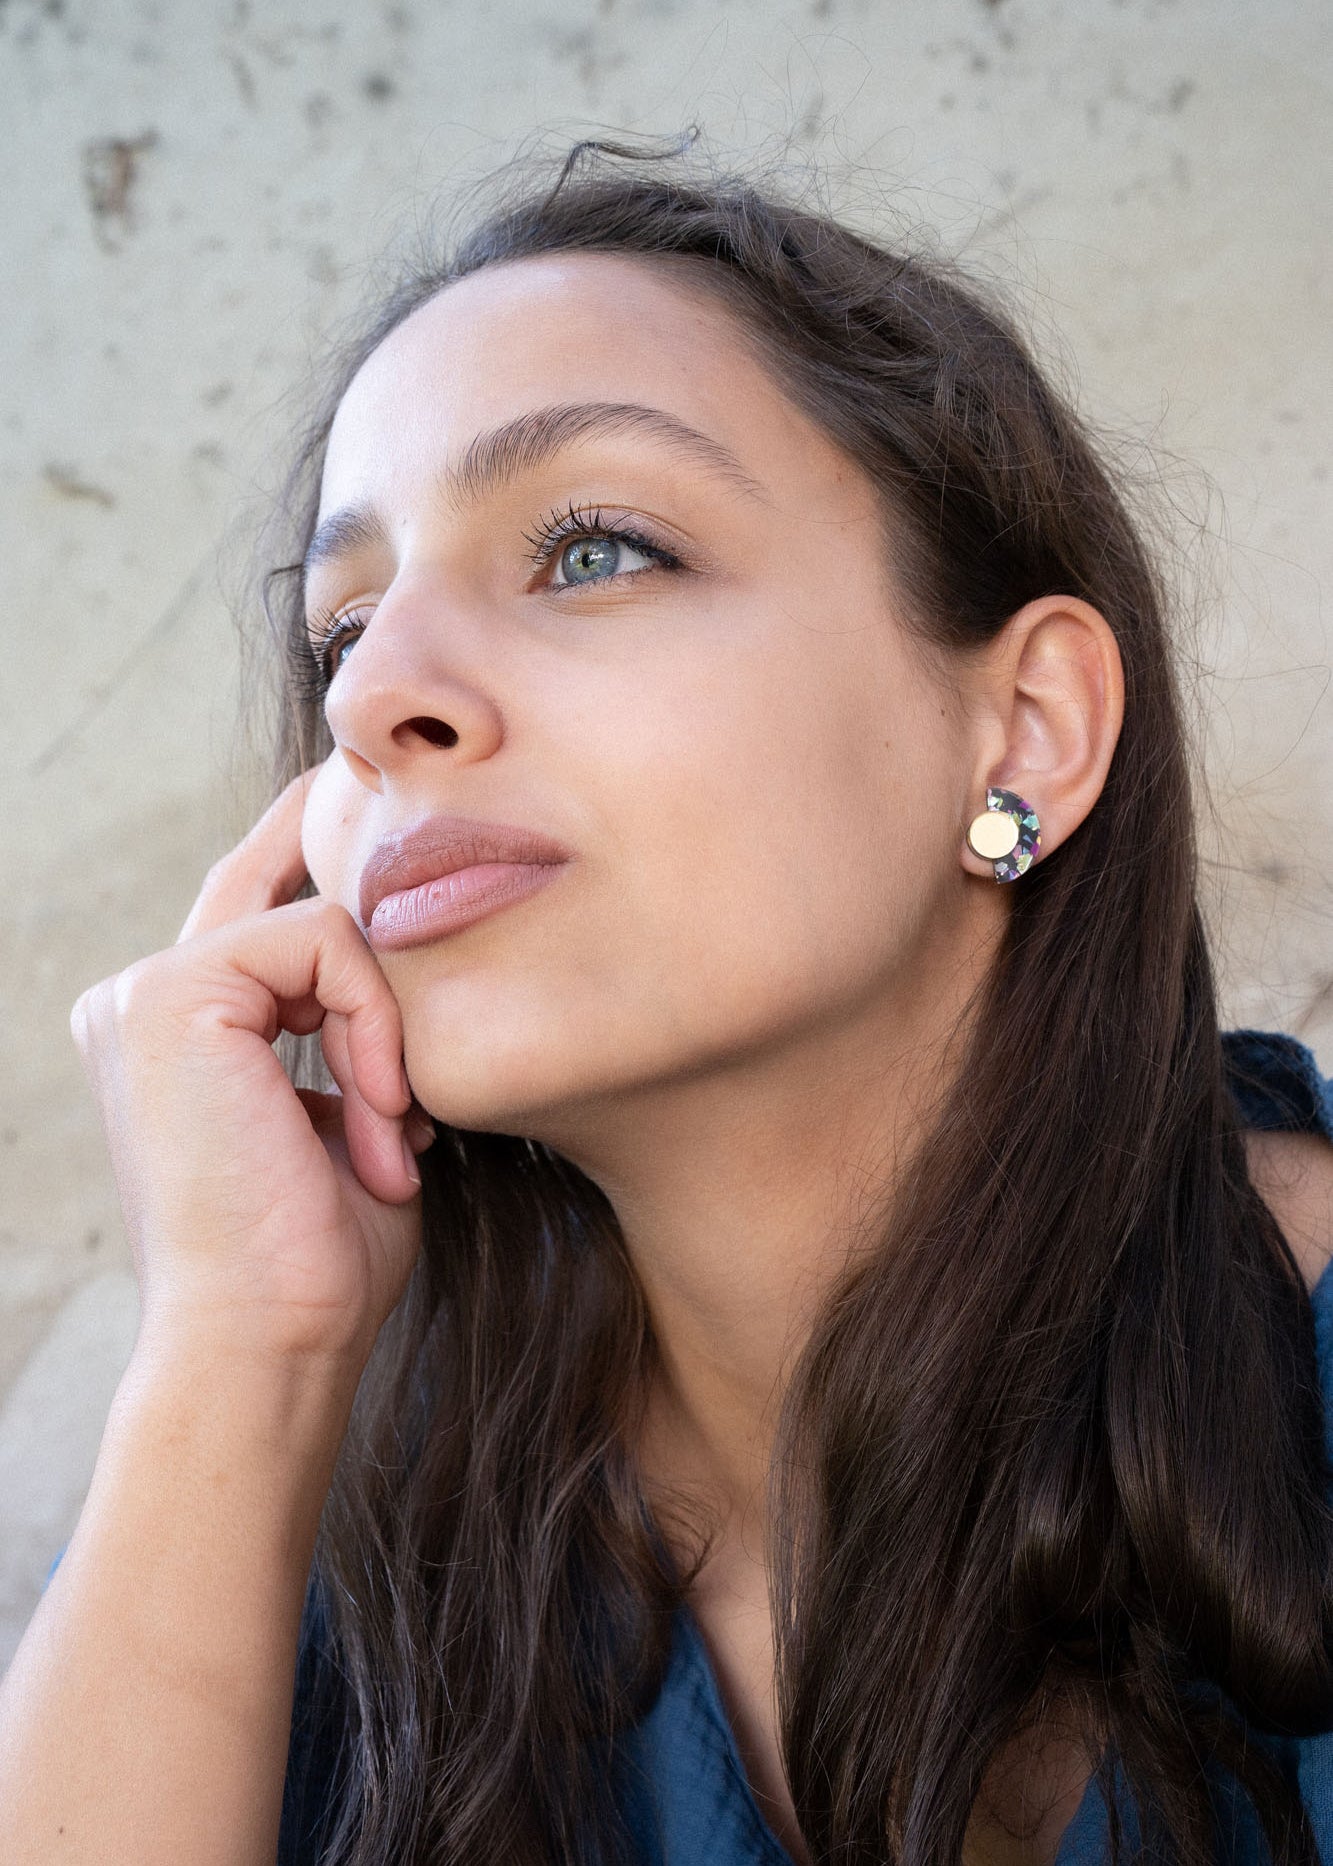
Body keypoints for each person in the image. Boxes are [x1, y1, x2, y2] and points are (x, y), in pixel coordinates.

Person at [3, 128, 1332, 1866]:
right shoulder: (308, 1502)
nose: (373, 696)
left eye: (593, 549)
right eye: (340, 631)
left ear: (1023, 732)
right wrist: (240, 1347)